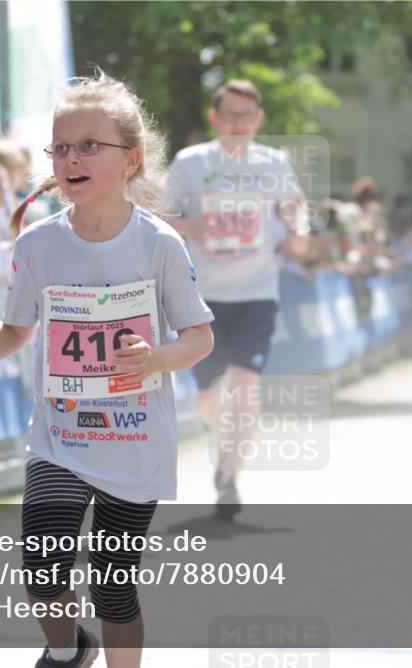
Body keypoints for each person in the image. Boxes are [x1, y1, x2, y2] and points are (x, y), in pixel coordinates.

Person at [0, 71, 214, 668]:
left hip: (135, 442)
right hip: (62, 439)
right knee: (41, 570)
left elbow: (200, 336)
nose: (71, 158)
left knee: (113, 587)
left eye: (90, 145)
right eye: (61, 148)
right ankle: (67, 650)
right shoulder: (37, 245)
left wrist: (159, 357)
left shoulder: (159, 245)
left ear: (131, 160)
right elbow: (15, 330)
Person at [166, 79, 308, 519]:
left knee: (246, 387)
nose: (237, 124)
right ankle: (223, 443)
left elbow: (294, 205)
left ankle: (229, 474)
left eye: (246, 116)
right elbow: (158, 214)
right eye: (229, 115)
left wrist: (299, 230)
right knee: (210, 399)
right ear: (215, 118)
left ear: (258, 119)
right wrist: (193, 228)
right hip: (201, 297)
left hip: (256, 293)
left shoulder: (273, 163)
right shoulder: (190, 163)